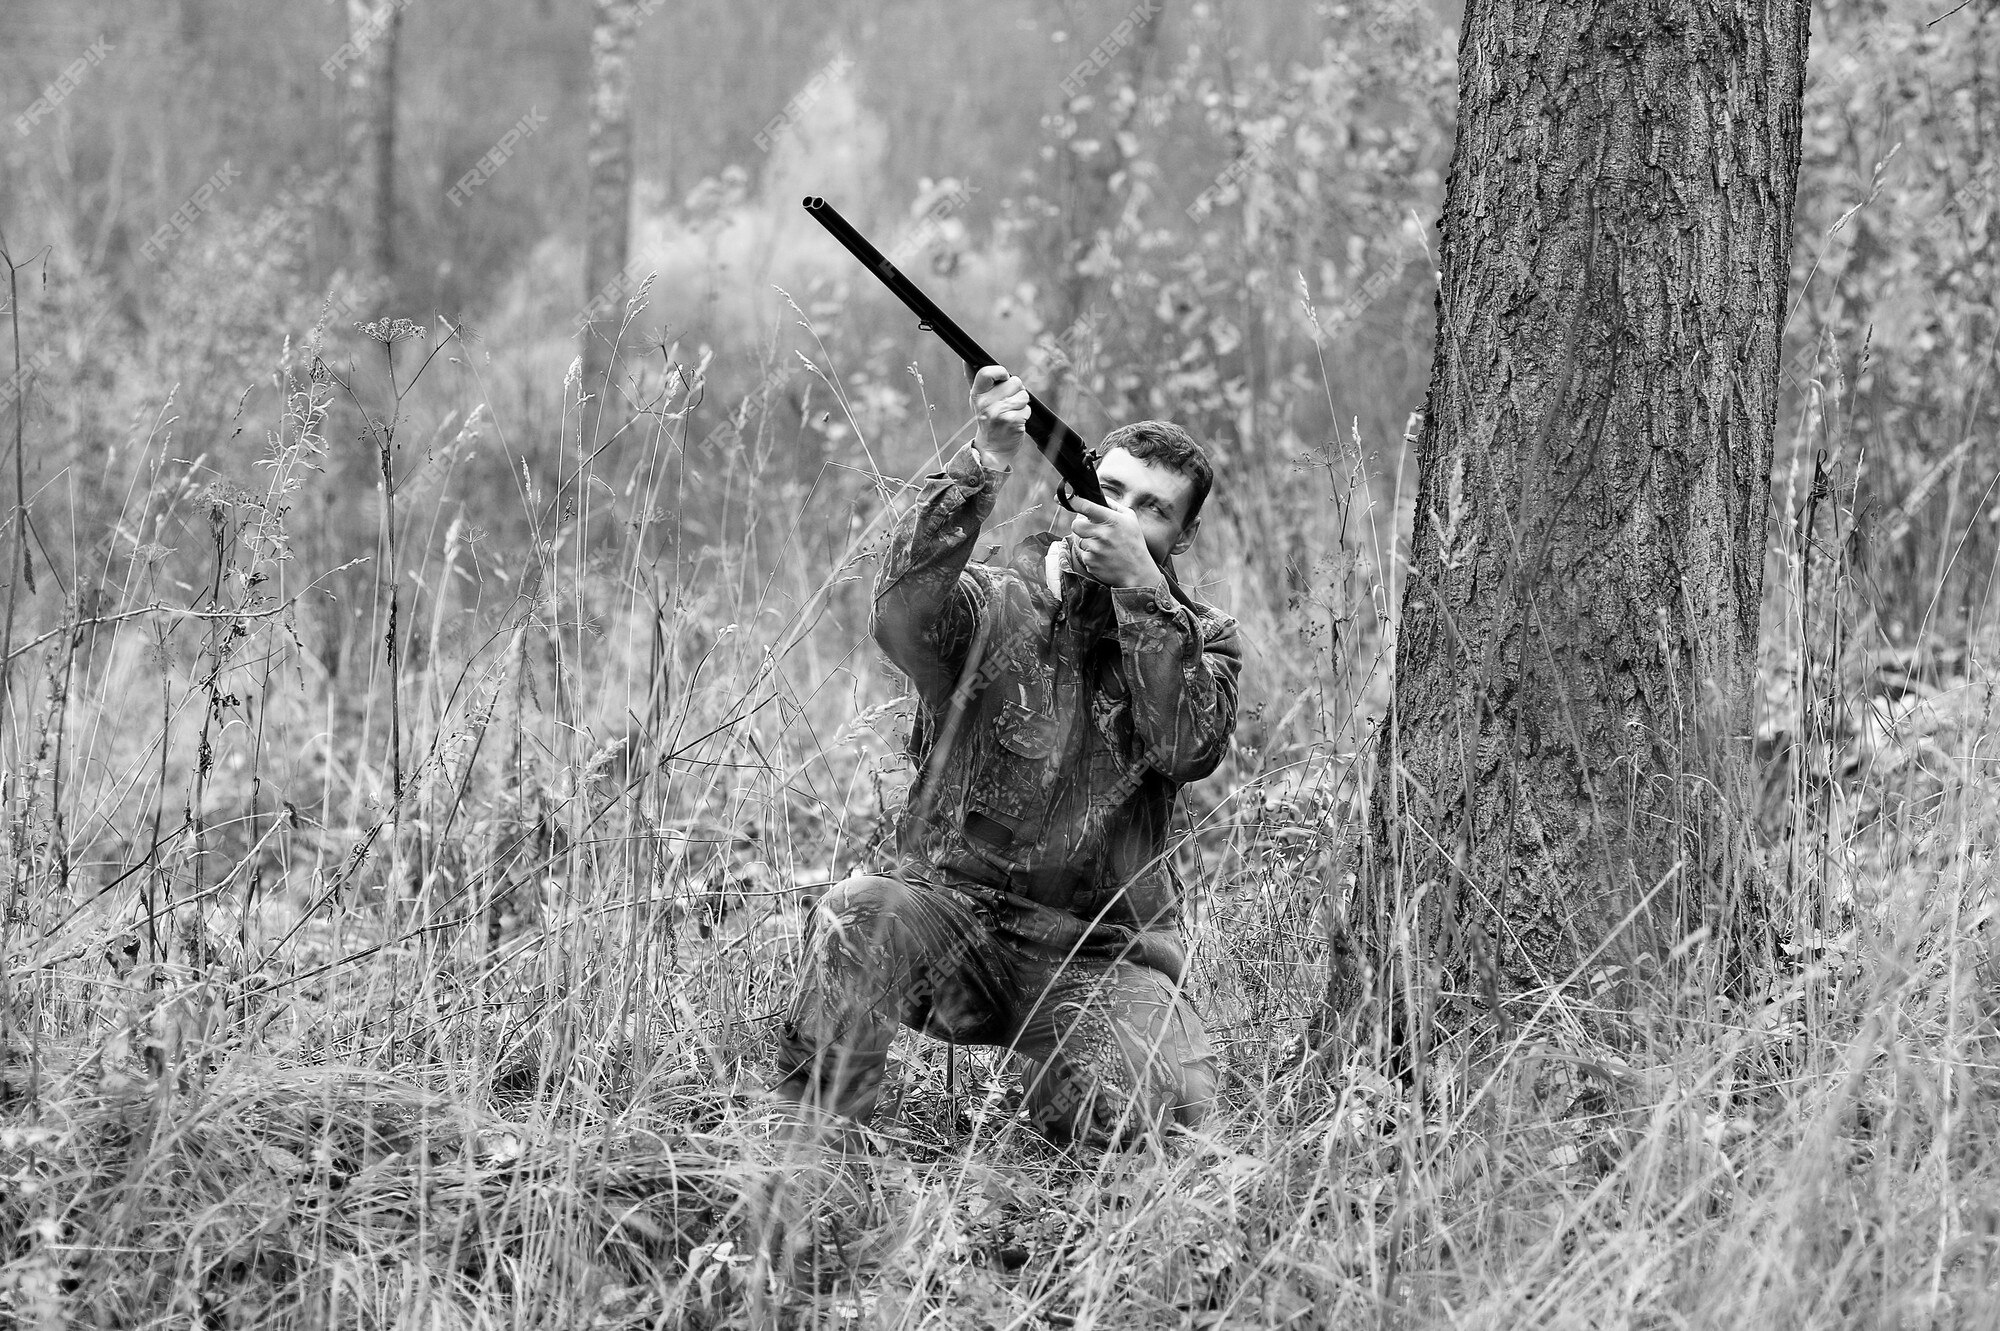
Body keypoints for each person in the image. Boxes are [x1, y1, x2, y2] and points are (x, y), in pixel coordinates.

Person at [768, 365, 1241, 1150]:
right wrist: (984, 459)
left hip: (1099, 953)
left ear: (1179, 537)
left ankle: (1057, 1101)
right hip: (951, 921)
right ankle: (812, 1157)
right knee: (860, 911)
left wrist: (1143, 596)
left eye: (1152, 509)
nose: (1120, 516)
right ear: (1073, 492)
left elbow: (1186, 746)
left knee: (1167, 1106)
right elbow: (899, 615)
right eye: (1110, 489)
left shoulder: (1202, 637)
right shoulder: (991, 601)